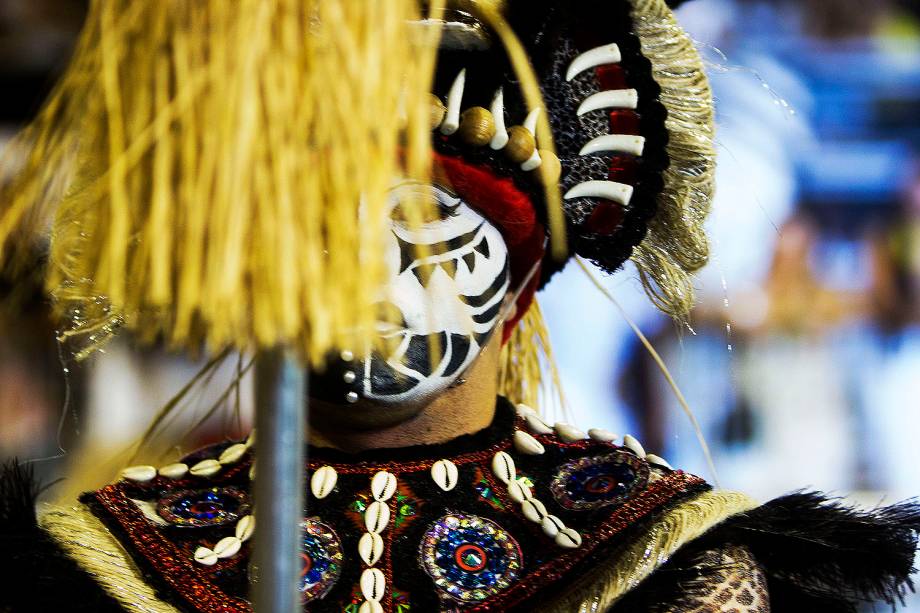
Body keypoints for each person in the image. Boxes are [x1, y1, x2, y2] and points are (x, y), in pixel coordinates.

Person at [2, 0, 919, 611]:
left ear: (520, 271)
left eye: (416, 226)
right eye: (311, 226)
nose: (352, 274)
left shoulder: (665, 560)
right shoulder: (106, 562)